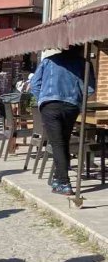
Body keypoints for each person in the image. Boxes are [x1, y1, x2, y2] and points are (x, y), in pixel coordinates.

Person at [31, 46, 96, 196]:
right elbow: (90, 89)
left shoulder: (48, 61)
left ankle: (64, 182)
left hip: (50, 104)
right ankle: (58, 179)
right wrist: (77, 98)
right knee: (63, 142)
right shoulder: (83, 63)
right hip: (71, 105)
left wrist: (43, 98)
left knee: (58, 143)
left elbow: (34, 85)